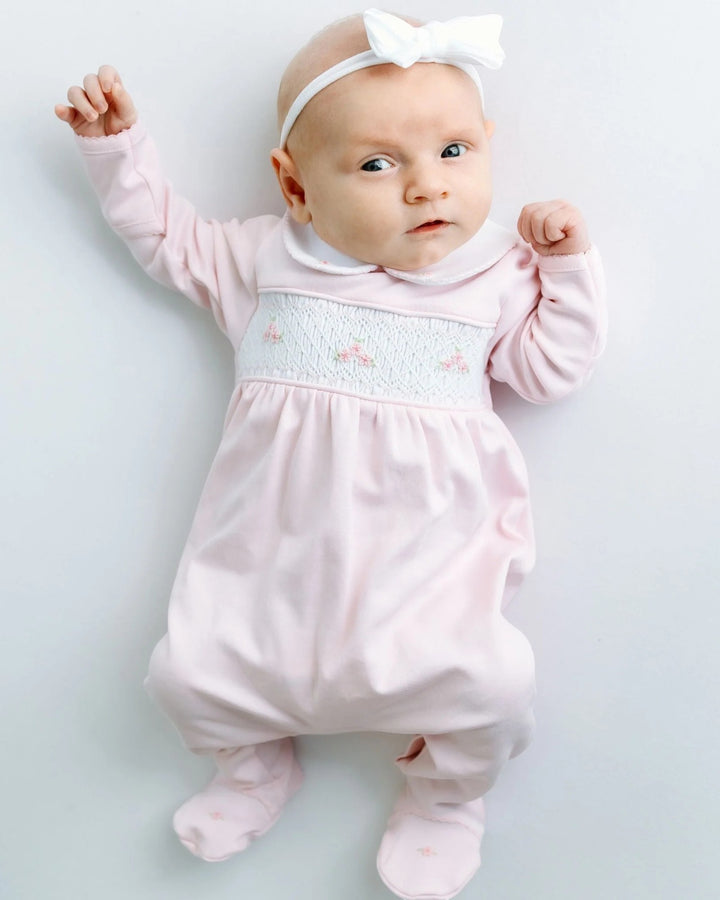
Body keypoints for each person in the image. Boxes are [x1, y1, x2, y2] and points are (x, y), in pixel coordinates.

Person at [55, 9, 606, 900]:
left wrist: (569, 269)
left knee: (495, 687)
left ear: (488, 147)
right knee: (186, 674)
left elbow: (551, 370)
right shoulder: (267, 262)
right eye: (378, 165)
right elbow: (164, 237)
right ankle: (253, 768)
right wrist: (118, 149)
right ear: (296, 185)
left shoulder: (496, 274)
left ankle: (444, 797)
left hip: (433, 573)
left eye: (455, 153)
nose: (427, 188)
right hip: (270, 569)